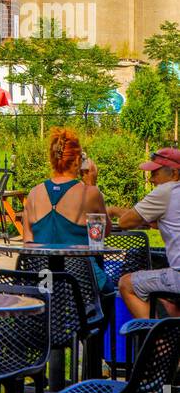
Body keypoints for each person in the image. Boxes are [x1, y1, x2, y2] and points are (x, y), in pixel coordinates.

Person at [22, 127, 111, 288]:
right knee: (108, 288)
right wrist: (91, 184)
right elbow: (101, 237)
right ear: (78, 160)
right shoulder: (90, 193)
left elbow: (28, 244)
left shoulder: (33, 194)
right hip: (81, 282)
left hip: (42, 284)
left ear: (52, 159)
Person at [107, 147, 180, 319]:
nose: (152, 179)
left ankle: (158, 341)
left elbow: (125, 222)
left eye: (155, 173)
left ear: (174, 174)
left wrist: (112, 210)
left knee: (126, 284)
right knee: (167, 299)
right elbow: (155, 222)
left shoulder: (167, 190)